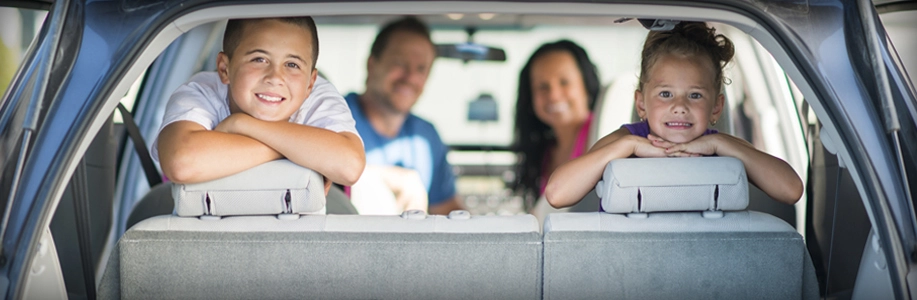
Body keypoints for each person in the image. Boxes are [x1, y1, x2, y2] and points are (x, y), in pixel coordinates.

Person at [545, 22, 803, 208]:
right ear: (641, 103)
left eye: (695, 95)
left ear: (716, 107)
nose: (680, 106)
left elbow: (791, 190)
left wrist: (718, 143)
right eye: (666, 94)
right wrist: (629, 146)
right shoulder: (625, 141)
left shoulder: (722, 147)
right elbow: (557, 194)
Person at [154, 17, 365, 192]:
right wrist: (296, 152)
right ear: (224, 69)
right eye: (259, 59)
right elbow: (181, 163)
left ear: (310, 83)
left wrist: (240, 124)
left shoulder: (318, 96)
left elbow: (350, 166)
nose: (275, 77)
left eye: (292, 64)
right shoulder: (201, 91)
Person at [344, 16, 464, 215]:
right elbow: (310, 176)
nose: (411, 77)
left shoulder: (426, 137)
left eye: (421, 69)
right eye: (400, 63)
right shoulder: (331, 117)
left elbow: (447, 211)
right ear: (372, 65)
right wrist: (382, 180)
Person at [511, 40, 600, 215]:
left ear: (586, 85)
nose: (553, 95)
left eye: (564, 82)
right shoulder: (545, 151)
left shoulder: (603, 136)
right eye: (542, 86)